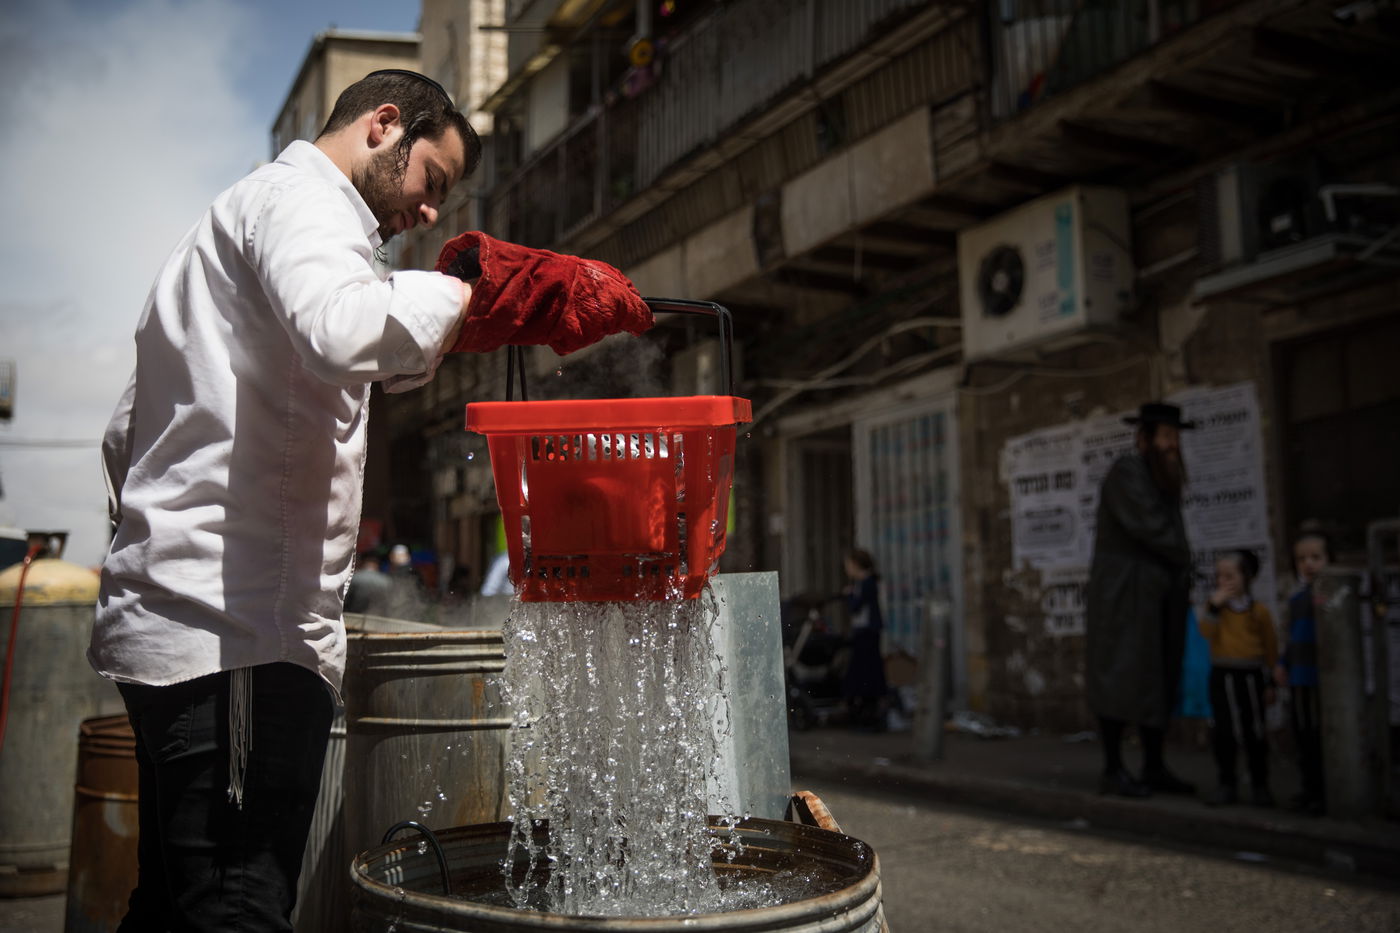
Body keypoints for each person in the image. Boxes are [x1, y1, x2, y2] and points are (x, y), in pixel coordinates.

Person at [91, 68, 651, 932]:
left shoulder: (229, 224)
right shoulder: (305, 202)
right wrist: (471, 294)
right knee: (236, 907)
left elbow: (125, 436)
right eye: (434, 179)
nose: (429, 212)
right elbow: (344, 327)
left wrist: (457, 312)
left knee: (172, 905)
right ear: (385, 126)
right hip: (236, 642)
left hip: (179, 634)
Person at [1085, 402, 1197, 798]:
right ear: (1144, 438)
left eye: (1175, 438)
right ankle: (1113, 768)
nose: (1171, 445)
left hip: (1158, 593)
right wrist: (1185, 558)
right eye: (1165, 437)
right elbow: (1150, 527)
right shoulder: (1127, 472)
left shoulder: (1165, 478)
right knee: (1118, 675)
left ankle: (1153, 765)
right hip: (1123, 592)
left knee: (1159, 678)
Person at [1199, 549, 1278, 807]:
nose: (1224, 582)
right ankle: (1227, 783)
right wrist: (1213, 605)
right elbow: (1205, 632)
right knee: (1223, 732)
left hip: (1251, 676)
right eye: (1220, 576)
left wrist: (1271, 681)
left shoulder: (1258, 612)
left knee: (1254, 731)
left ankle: (1260, 785)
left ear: (1247, 577)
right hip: (1223, 675)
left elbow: (1270, 647)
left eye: (1230, 576)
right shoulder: (1216, 610)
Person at [1274, 530, 1330, 814]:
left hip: (1322, 683)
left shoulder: (1331, 599)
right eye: (1302, 559)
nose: (1308, 564)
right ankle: (1310, 789)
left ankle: (1323, 793)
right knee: (1304, 737)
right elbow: (1292, 637)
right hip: (1299, 680)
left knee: (1321, 739)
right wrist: (1283, 664)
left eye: (1316, 558)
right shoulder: (1297, 600)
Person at [842, 548, 888, 731]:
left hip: (867, 633)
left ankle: (869, 712)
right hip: (865, 631)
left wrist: (849, 595)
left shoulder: (867, 583)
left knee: (866, 671)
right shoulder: (864, 583)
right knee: (864, 671)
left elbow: (855, 607)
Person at [344, 550, 392, 615]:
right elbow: (389, 603)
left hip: (353, 617)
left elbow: (345, 599)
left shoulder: (353, 577)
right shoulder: (386, 580)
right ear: (377, 564)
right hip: (376, 618)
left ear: (362, 562)